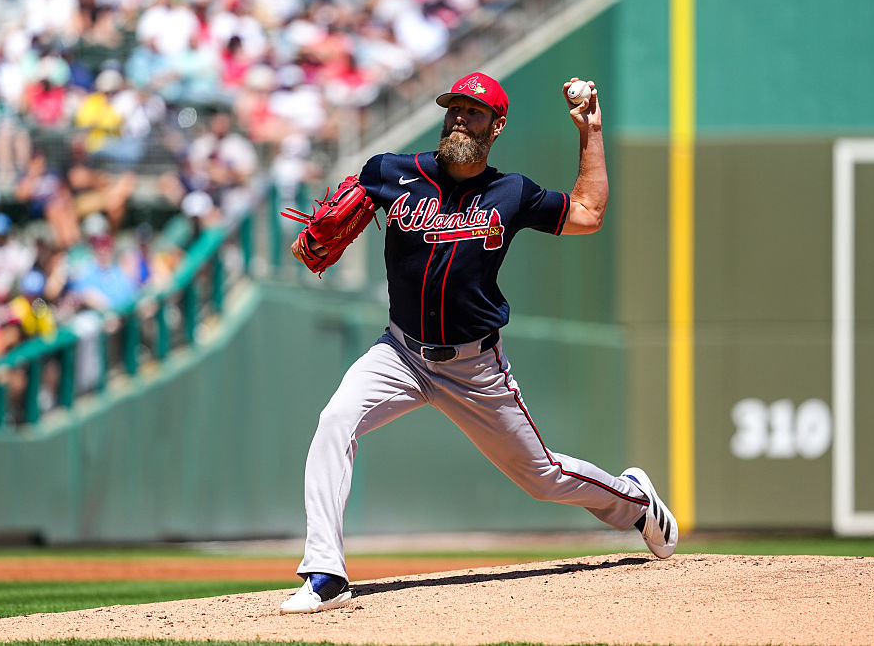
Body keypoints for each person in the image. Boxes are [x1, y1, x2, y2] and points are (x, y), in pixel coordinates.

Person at [280, 72, 678, 614]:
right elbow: (335, 215)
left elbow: (588, 213)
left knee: (542, 477)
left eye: (474, 111)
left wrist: (590, 132)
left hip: (475, 367)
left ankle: (636, 503)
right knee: (334, 422)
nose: (460, 118)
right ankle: (325, 571)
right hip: (398, 353)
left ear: (497, 125)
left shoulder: (510, 192)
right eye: (454, 109)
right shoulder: (392, 173)